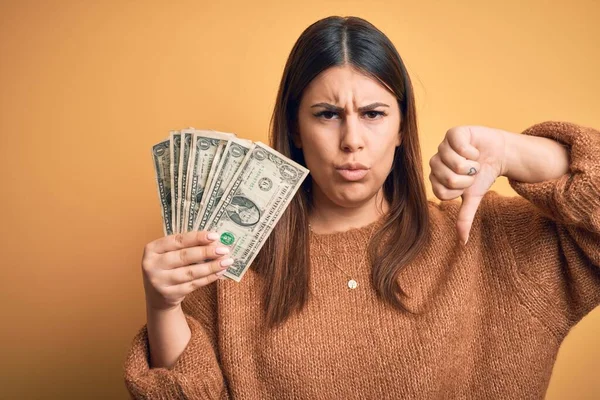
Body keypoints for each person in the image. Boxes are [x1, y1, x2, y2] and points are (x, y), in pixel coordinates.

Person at [124, 16, 600, 399]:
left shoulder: (488, 238)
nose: (352, 141)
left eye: (373, 114)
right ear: (295, 128)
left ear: (400, 128)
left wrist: (512, 151)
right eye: (328, 115)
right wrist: (162, 305)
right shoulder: (228, 259)